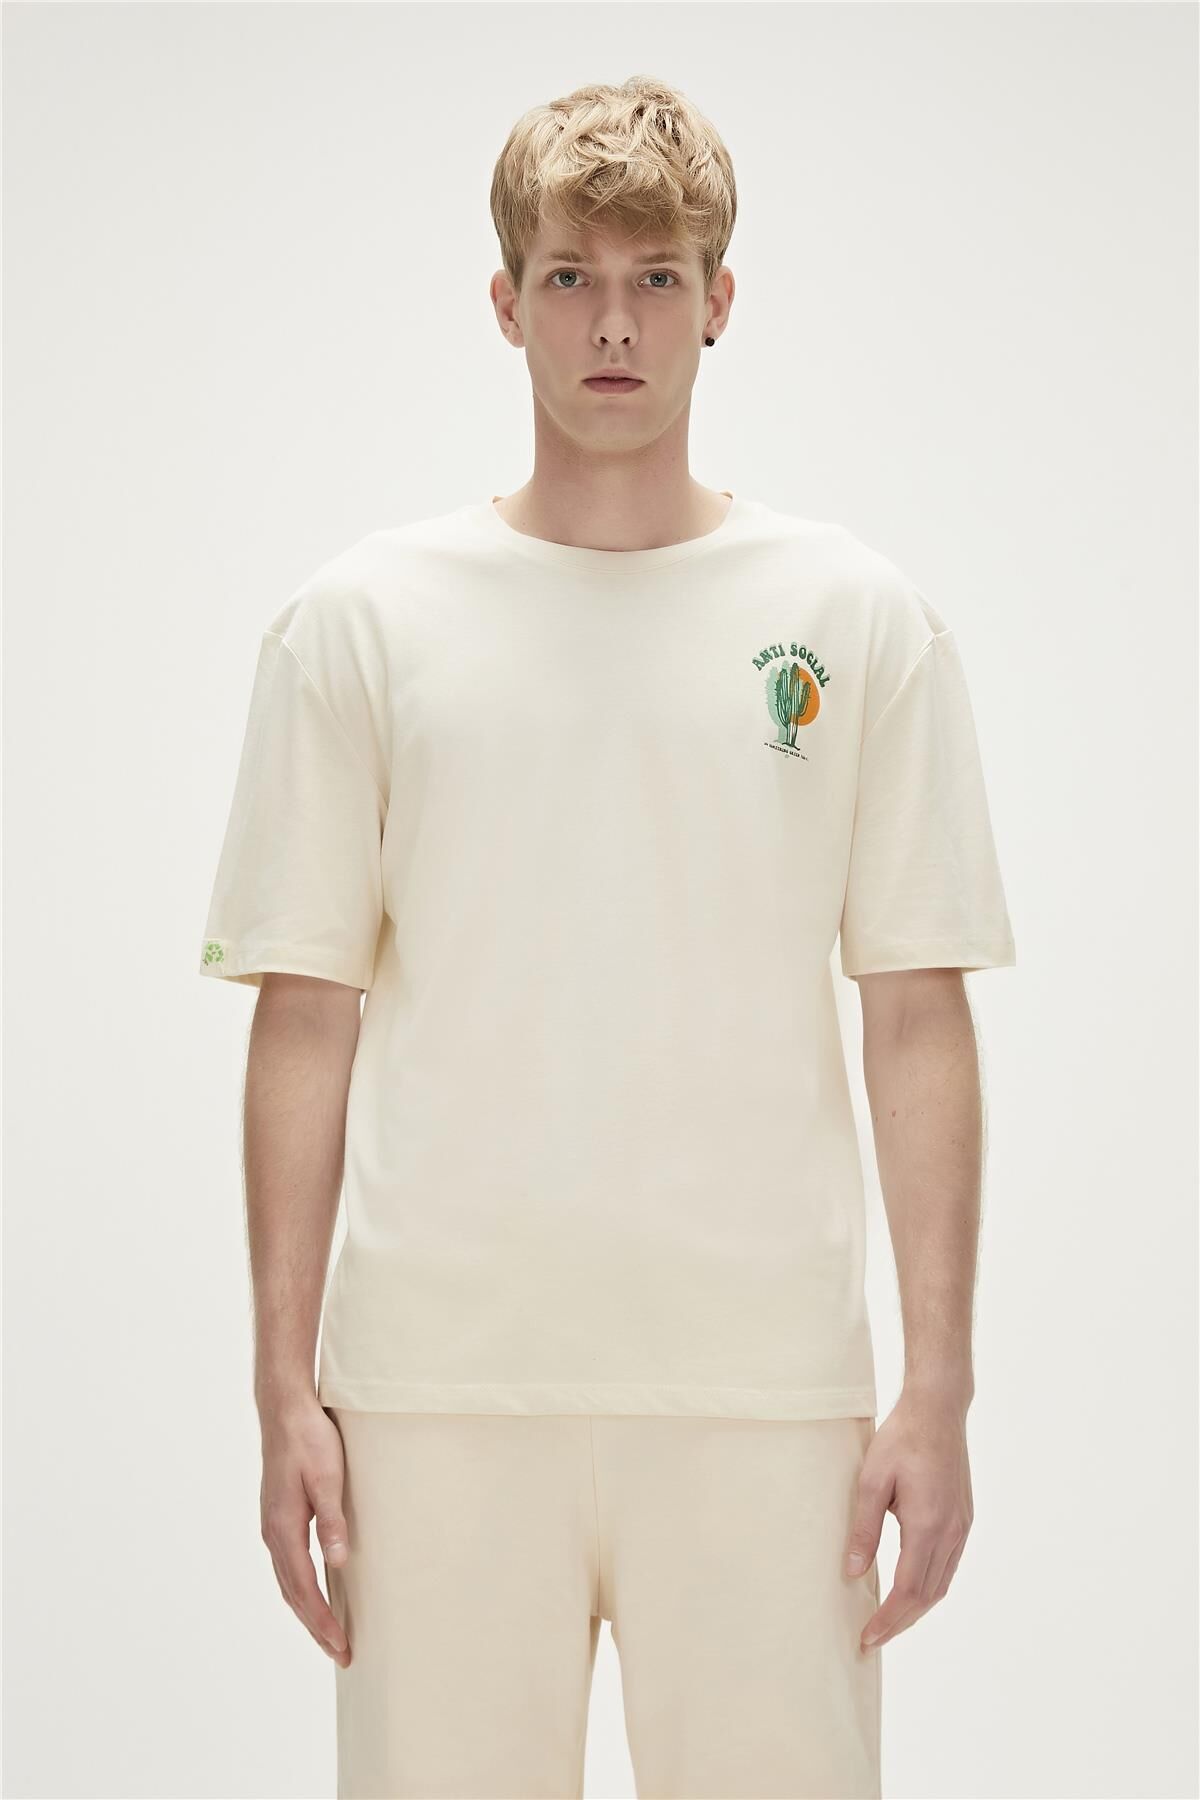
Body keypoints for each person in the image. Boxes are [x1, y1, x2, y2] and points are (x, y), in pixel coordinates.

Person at [198, 73, 1016, 1800]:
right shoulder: (363, 626)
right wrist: (284, 1389)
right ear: (507, 304)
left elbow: (917, 1012)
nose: (616, 324)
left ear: (722, 300)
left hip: (763, 1389)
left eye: (658, 277)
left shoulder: (853, 621)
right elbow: (304, 1017)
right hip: (434, 1390)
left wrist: (936, 1388)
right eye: (571, 277)